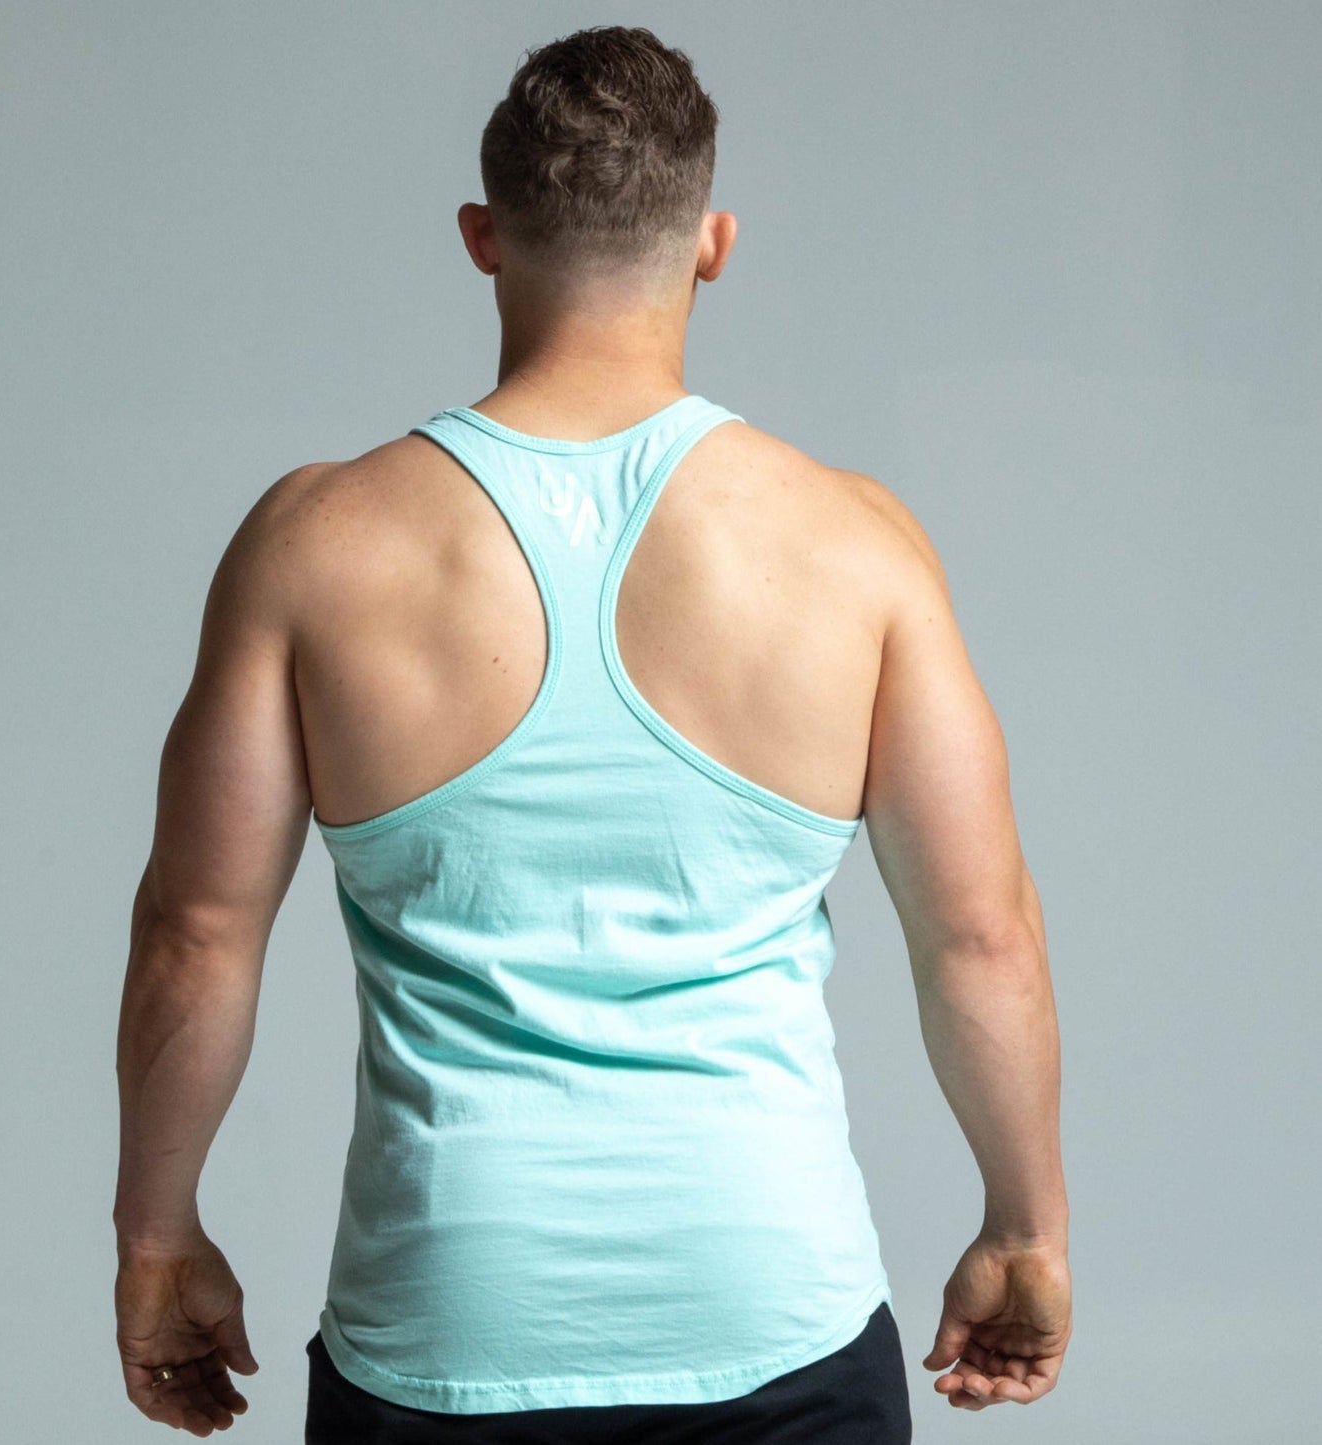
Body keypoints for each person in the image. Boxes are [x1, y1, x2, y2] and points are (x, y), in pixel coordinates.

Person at [112, 23, 1071, 1442]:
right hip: (772, 1313)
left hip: (446, 1321)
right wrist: (1026, 1222)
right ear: (712, 242)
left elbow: (197, 932)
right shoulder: (851, 545)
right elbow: (978, 936)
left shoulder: (316, 543)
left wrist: (154, 1233)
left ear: (482, 236)